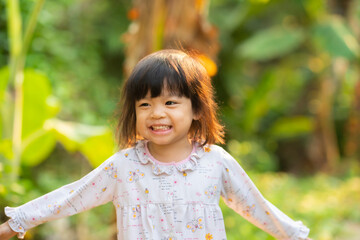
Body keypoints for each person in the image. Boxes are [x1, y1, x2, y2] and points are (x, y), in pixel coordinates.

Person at [0, 49, 311, 240]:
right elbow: (73, 195)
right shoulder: (124, 167)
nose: (157, 113)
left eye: (171, 102)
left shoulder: (215, 162)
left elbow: (256, 207)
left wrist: (295, 236)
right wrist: (17, 222)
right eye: (145, 104)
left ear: (197, 109)